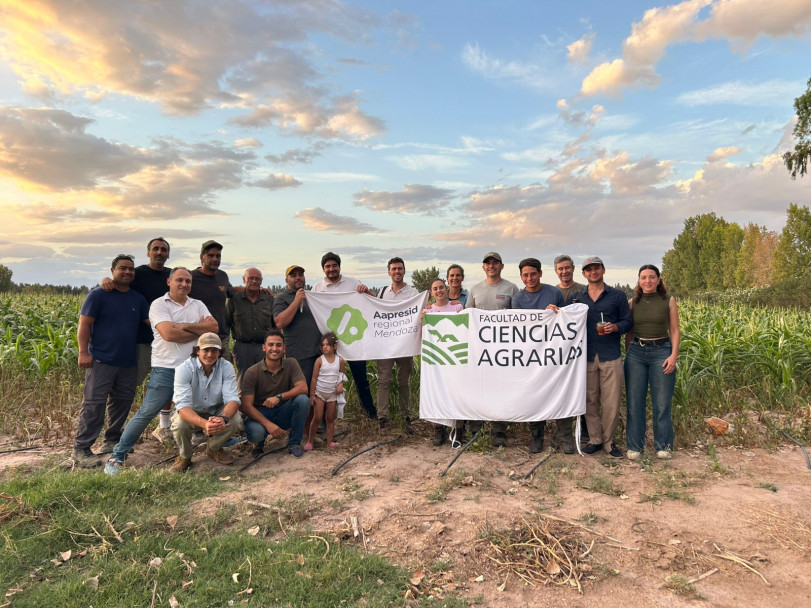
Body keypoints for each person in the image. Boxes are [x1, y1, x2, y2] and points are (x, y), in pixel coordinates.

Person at [105, 267, 217, 475]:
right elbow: (168, 334)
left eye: (188, 281)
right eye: (179, 280)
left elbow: (214, 328)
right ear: (169, 282)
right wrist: (197, 330)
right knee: (147, 412)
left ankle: (213, 445)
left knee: (204, 406)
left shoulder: (198, 304)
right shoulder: (159, 304)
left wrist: (182, 326)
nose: (184, 284)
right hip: (166, 368)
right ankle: (117, 455)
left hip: (194, 368)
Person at [73, 254, 149, 468]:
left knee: (122, 402)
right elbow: (84, 324)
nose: (127, 272)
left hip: (127, 361)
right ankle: (82, 449)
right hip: (101, 359)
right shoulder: (98, 295)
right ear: (112, 271)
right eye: (122, 268)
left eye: (131, 269)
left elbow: (151, 321)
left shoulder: (137, 299)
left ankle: (112, 441)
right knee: (94, 404)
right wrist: (83, 352)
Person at [100, 237, 175, 444]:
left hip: (167, 340)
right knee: (128, 386)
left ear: (168, 254)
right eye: (155, 249)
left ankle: (163, 427)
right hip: (142, 339)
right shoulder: (138, 273)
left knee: (168, 384)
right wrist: (106, 279)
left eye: (163, 250)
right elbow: (119, 281)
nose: (159, 252)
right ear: (148, 252)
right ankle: (118, 427)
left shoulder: (172, 275)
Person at [571, 257, 632, 458]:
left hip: (610, 355)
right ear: (584, 274)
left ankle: (609, 441)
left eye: (596, 268)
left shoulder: (617, 296)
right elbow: (565, 320)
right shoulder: (577, 298)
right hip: (586, 356)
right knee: (589, 400)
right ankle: (595, 439)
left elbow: (627, 322)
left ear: (603, 270)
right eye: (589, 269)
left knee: (611, 401)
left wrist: (615, 327)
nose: (593, 272)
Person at [512, 258, 571, 454]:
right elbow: (519, 327)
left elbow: (565, 321)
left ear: (540, 274)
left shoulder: (554, 293)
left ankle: (565, 436)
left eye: (533, 274)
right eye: (525, 275)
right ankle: (537, 436)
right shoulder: (518, 299)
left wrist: (554, 314)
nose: (529, 278)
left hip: (553, 353)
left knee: (560, 391)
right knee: (533, 395)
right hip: (529, 355)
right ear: (521, 277)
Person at [311, 252, 377, 420]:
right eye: (328, 266)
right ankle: (325, 417)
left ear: (339, 267)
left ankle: (370, 414)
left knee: (361, 379)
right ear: (323, 269)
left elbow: (374, 303)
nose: (331, 269)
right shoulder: (317, 288)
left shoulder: (353, 283)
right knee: (327, 380)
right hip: (330, 344)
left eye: (334, 265)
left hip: (353, 342)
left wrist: (367, 291)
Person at [624, 264, 680, 460]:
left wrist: (673, 356)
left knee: (662, 402)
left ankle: (663, 445)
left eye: (651, 277)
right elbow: (629, 333)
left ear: (658, 279)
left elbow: (674, 330)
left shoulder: (668, 300)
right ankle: (635, 446)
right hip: (636, 353)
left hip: (661, 352)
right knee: (634, 402)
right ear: (639, 280)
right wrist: (628, 354)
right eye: (643, 277)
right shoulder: (632, 302)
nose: (647, 281)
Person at [465, 252, 519, 447]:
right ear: (483, 267)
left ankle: (499, 430)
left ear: (501, 266)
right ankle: (475, 429)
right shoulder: (475, 290)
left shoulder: (511, 288)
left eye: (495, 263)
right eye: (488, 263)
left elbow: (520, 318)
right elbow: (467, 317)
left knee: (500, 388)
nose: (491, 266)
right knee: (477, 387)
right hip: (479, 349)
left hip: (502, 349)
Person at [169, 333, 241, 472]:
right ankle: (185, 457)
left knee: (235, 419)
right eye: (206, 350)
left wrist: (223, 418)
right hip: (192, 410)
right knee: (179, 424)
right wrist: (205, 424)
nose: (210, 354)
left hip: (216, 409)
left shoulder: (226, 367)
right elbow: (183, 406)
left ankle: (213, 448)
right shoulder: (184, 368)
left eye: (214, 350)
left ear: (220, 352)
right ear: (197, 350)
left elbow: (232, 399)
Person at [240, 330, 310, 459]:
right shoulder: (252, 372)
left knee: (303, 400)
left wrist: (279, 397)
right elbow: (246, 406)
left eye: (278, 345)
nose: (274, 348)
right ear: (264, 347)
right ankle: (258, 445)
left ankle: (294, 443)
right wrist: (268, 424)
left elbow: (303, 388)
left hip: (283, 410)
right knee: (256, 433)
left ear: (284, 348)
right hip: (261, 414)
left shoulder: (291, 363)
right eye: (270, 344)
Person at [375, 257, 419, 431]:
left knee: (403, 382)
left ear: (404, 271)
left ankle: (404, 417)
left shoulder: (413, 293)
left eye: (400, 268)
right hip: (385, 346)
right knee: (383, 381)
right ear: (389, 272)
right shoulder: (382, 292)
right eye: (393, 269)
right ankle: (382, 418)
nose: (397, 272)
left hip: (405, 344)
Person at [422, 278, 464, 446]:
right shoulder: (428, 311)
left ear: (446, 289)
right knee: (437, 392)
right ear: (431, 293)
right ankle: (439, 428)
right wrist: (422, 320)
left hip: (455, 358)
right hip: (436, 360)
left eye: (441, 287)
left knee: (457, 393)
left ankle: (458, 429)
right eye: (435, 289)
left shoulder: (458, 308)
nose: (438, 291)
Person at [554, 254, 588, 443]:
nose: (564, 271)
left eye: (567, 268)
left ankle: (585, 431)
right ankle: (563, 433)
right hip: (560, 352)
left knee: (583, 390)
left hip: (580, 349)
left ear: (573, 269)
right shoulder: (553, 293)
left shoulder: (583, 290)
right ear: (556, 271)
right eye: (560, 269)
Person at [272, 265, 321, 390]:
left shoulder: (310, 296)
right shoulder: (282, 298)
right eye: (293, 276)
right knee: (302, 392)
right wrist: (296, 301)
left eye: (300, 275)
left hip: (318, 353)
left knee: (317, 393)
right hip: (300, 355)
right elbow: (279, 322)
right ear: (286, 280)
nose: (298, 278)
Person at [227, 267, 275, 380]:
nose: (254, 281)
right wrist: (226, 349)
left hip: (264, 347)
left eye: (257, 279)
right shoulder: (234, 300)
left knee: (267, 381)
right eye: (251, 278)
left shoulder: (269, 299)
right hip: (242, 348)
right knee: (244, 381)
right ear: (244, 279)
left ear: (261, 281)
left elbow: (276, 325)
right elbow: (226, 324)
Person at [190, 240, 234, 361]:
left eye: (218, 256)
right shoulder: (191, 277)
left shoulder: (222, 276)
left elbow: (231, 291)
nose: (215, 259)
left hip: (221, 337)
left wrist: (257, 289)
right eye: (211, 255)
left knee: (224, 370)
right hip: (199, 338)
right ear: (202, 257)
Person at [305, 333, 345, 451]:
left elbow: (342, 375)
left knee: (330, 418)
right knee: (317, 417)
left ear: (335, 346)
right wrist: (312, 395)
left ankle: (330, 442)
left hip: (332, 394)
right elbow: (314, 379)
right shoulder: (319, 360)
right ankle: (310, 441)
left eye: (328, 344)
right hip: (320, 394)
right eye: (323, 345)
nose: (325, 347)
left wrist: (341, 384)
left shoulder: (340, 360)